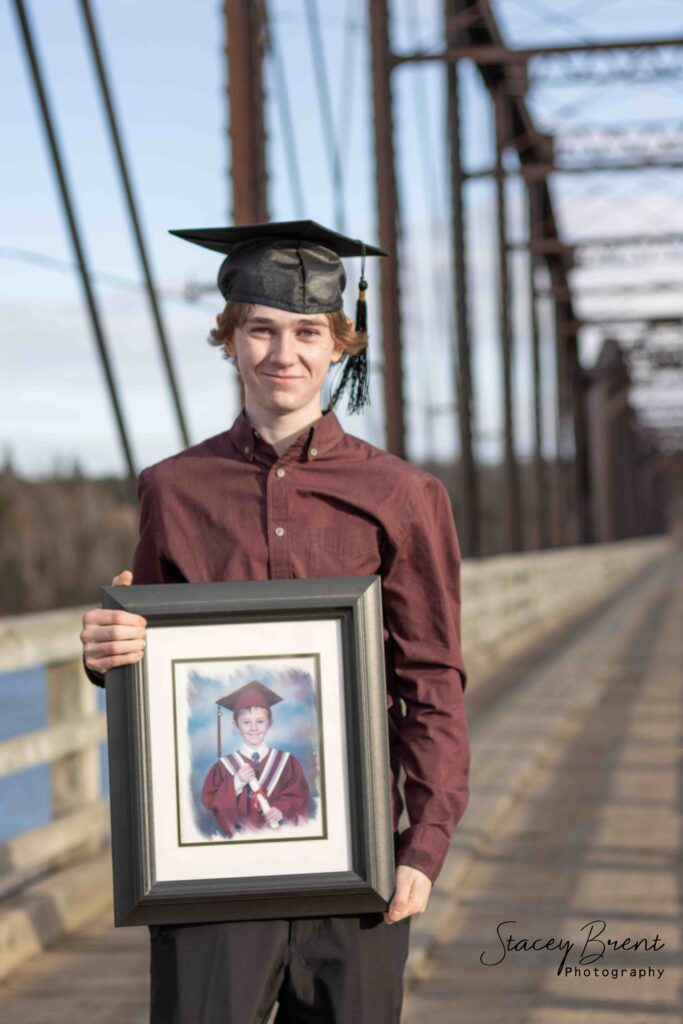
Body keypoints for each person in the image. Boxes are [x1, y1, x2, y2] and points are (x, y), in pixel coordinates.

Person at [80, 219, 470, 1024]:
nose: (281, 353)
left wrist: (423, 842)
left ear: (339, 346)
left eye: (306, 332)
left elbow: (429, 679)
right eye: (259, 330)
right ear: (229, 341)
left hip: (359, 863)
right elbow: (152, 667)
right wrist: (106, 651)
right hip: (208, 870)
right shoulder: (173, 488)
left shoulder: (402, 495)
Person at [201, 680, 311, 837]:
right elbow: (212, 802)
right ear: (235, 725)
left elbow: (299, 796)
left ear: (270, 724)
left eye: (260, 721)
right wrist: (236, 782)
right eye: (246, 722)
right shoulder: (224, 766)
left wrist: (280, 810)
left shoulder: (286, 762)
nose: (253, 728)